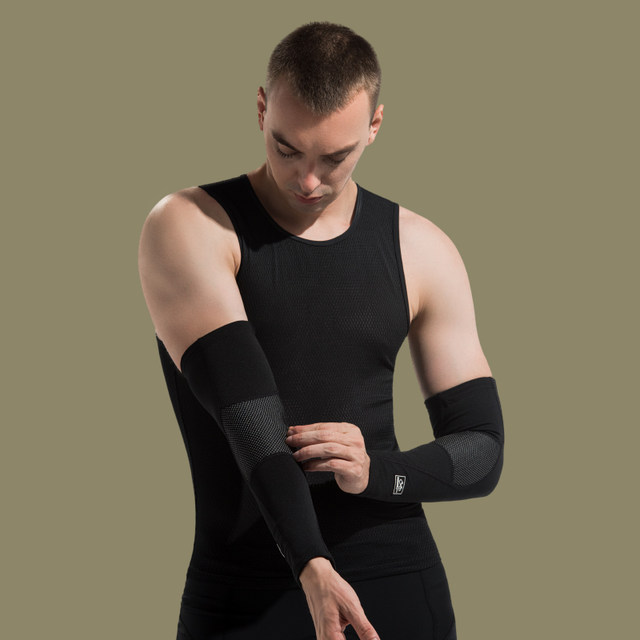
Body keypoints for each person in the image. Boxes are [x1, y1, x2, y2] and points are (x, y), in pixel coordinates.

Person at [138, 21, 504, 640]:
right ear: (261, 109)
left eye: (334, 158)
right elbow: (250, 420)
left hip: (394, 582)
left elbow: (483, 449)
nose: (308, 180)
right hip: (245, 594)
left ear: (375, 126)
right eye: (287, 150)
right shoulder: (193, 225)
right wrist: (312, 562)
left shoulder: (422, 249)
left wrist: (377, 471)